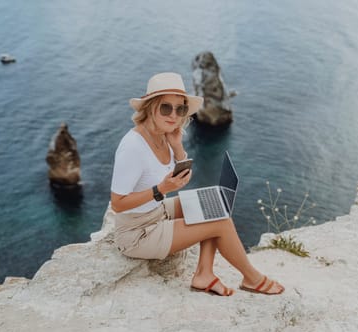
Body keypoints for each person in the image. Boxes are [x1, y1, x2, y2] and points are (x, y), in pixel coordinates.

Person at [110, 72, 284, 296]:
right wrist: (160, 190)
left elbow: (181, 177)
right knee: (220, 222)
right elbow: (117, 204)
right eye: (166, 108)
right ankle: (253, 278)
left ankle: (204, 274)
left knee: (213, 203)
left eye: (180, 109)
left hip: (157, 212)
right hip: (137, 234)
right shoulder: (132, 147)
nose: (174, 115)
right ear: (151, 107)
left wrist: (177, 147)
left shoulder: (163, 134)